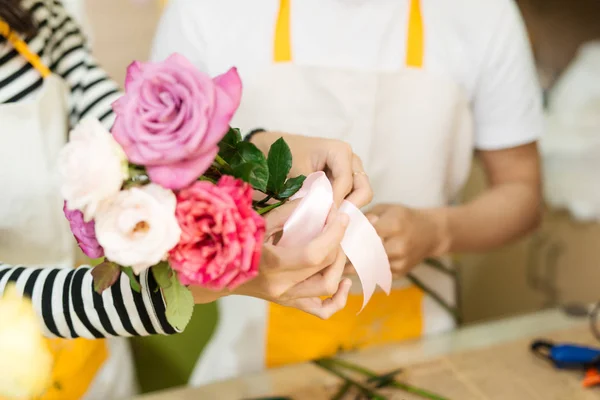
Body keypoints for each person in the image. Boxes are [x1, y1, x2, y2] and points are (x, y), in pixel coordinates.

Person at [151, 0, 543, 385]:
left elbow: (521, 192)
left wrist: (437, 231)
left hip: (426, 352)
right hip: (254, 358)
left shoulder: (483, 14)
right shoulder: (203, 11)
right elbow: (157, 196)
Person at [0, 0, 372, 398]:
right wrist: (208, 279)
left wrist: (251, 154)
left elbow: (110, 131)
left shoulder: (38, 11)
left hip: (93, 370)